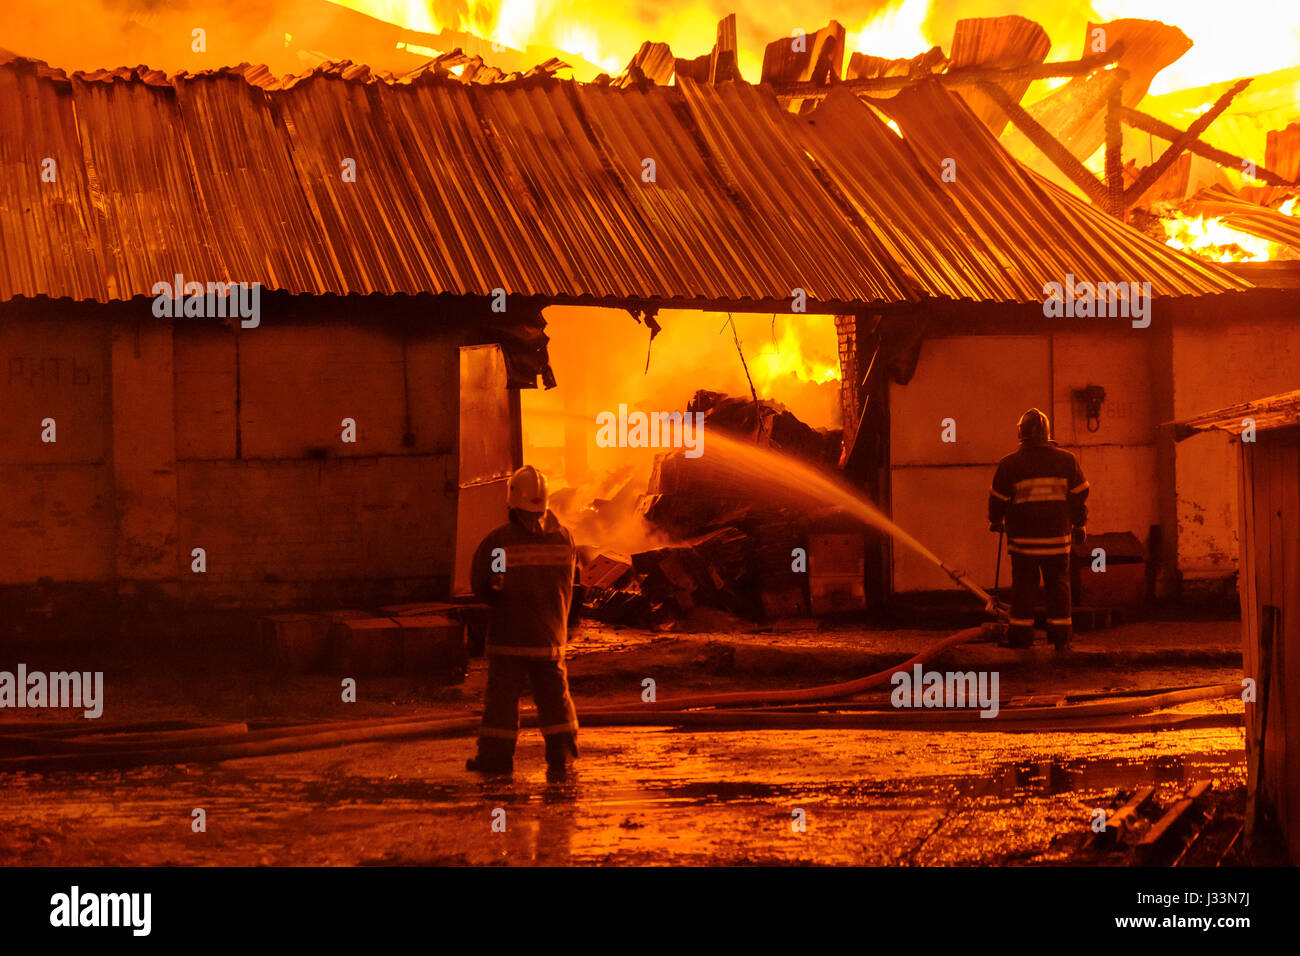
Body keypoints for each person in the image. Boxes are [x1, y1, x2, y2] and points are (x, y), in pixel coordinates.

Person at [466, 465, 580, 779]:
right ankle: (562, 756)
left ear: (512, 501)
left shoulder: (500, 541)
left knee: (502, 703)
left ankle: (496, 759)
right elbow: (572, 585)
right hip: (549, 636)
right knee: (555, 698)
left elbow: (483, 584)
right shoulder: (564, 538)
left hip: (509, 637)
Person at [987, 408, 1089, 651]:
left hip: (1024, 544)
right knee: (1059, 586)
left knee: (1024, 588)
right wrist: (1080, 524)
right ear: (1047, 434)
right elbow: (1079, 496)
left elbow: (997, 500)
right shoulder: (1067, 461)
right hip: (1057, 541)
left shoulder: (1009, 464)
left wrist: (995, 521)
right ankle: (1061, 638)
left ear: (1020, 433)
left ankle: (1021, 639)